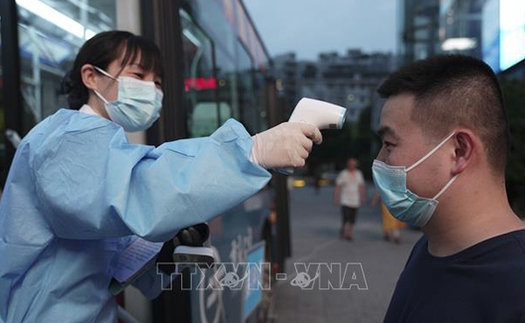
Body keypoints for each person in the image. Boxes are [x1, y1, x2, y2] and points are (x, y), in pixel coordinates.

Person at [0, 31, 322, 323]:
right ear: (91, 77)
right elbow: (137, 192)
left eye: (157, 81)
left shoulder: (103, 146)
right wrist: (250, 152)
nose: (152, 90)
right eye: (138, 75)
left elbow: (114, 261)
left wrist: (166, 250)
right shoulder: (68, 138)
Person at [372, 54, 525, 322]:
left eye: (389, 144)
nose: (378, 161)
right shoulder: (428, 248)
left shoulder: (516, 284)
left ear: (459, 151)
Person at [333, 158, 366, 240]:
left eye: (353, 164)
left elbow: (361, 186)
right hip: (345, 200)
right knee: (346, 217)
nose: (352, 166)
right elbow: (338, 186)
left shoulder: (358, 174)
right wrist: (336, 197)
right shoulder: (343, 174)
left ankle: (349, 234)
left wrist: (363, 197)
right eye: (350, 164)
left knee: (353, 218)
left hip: (355, 200)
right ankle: (344, 229)